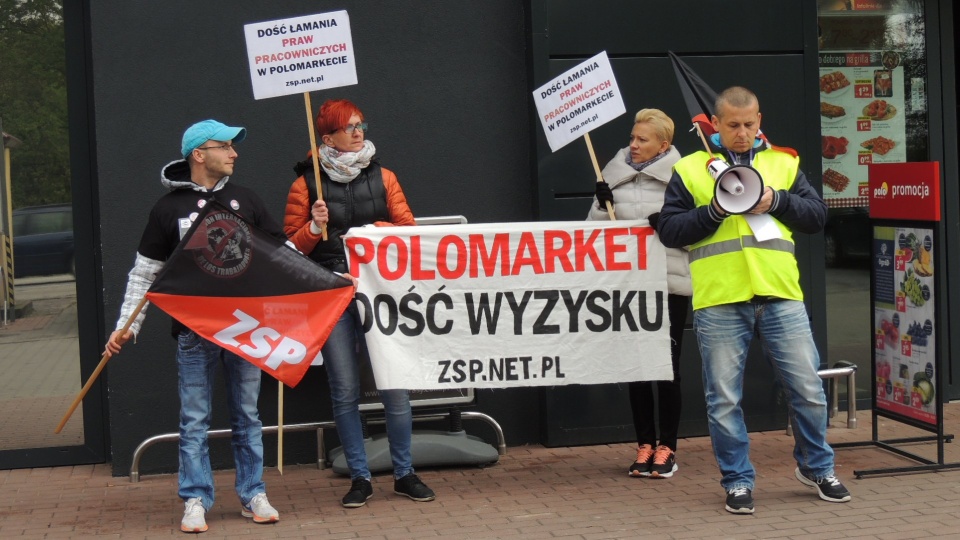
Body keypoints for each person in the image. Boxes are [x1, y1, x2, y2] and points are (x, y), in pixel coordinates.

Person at [657, 87, 852, 514]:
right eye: (733, 126)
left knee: (808, 390)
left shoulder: (784, 162)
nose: (742, 133)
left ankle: (817, 467)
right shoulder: (692, 168)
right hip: (721, 298)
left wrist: (776, 200)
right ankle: (738, 481)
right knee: (724, 399)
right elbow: (669, 231)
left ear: (759, 120)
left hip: (780, 293)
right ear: (716, 124)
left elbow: (817, 217)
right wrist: (714, 211)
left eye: (749, 125)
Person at [104, 120, 282, 533]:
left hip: (245, 328)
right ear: (199, 155)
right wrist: (126, 327)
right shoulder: (168, 209)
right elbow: (144, 274)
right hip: (193, 331)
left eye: (234, 147)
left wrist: (324, 269)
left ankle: (253, 492)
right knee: (194, 420)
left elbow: (284, 255)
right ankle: (196, 499)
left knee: (248, 416)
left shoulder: (247, 200)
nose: (234, 154)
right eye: (225, 146)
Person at [283, 99, 435, 508]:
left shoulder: (384, 177)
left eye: (361, 124)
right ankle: (360, 478)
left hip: (378, 292)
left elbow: (408, 231)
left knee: (394, 387)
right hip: (331, 295)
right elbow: (290, 250)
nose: (359, 131)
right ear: (328, 137)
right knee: (344, 389)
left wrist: (371, 232)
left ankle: (404, 474)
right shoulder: (305, 185)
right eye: (349, 127)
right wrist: (314, 226)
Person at [587, 109, 691, 479]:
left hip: (670, 284)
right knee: (637, 366)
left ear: (664, 145)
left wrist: (670, 225)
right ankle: (644, 443)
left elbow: (694, 230)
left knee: (667, 368)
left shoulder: (684, 177)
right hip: (629, 286)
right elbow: (593, 233)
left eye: (642, 140)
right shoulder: (612, 175)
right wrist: (601, 205)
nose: (633, 144)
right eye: (633, 137)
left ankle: (668, 447)